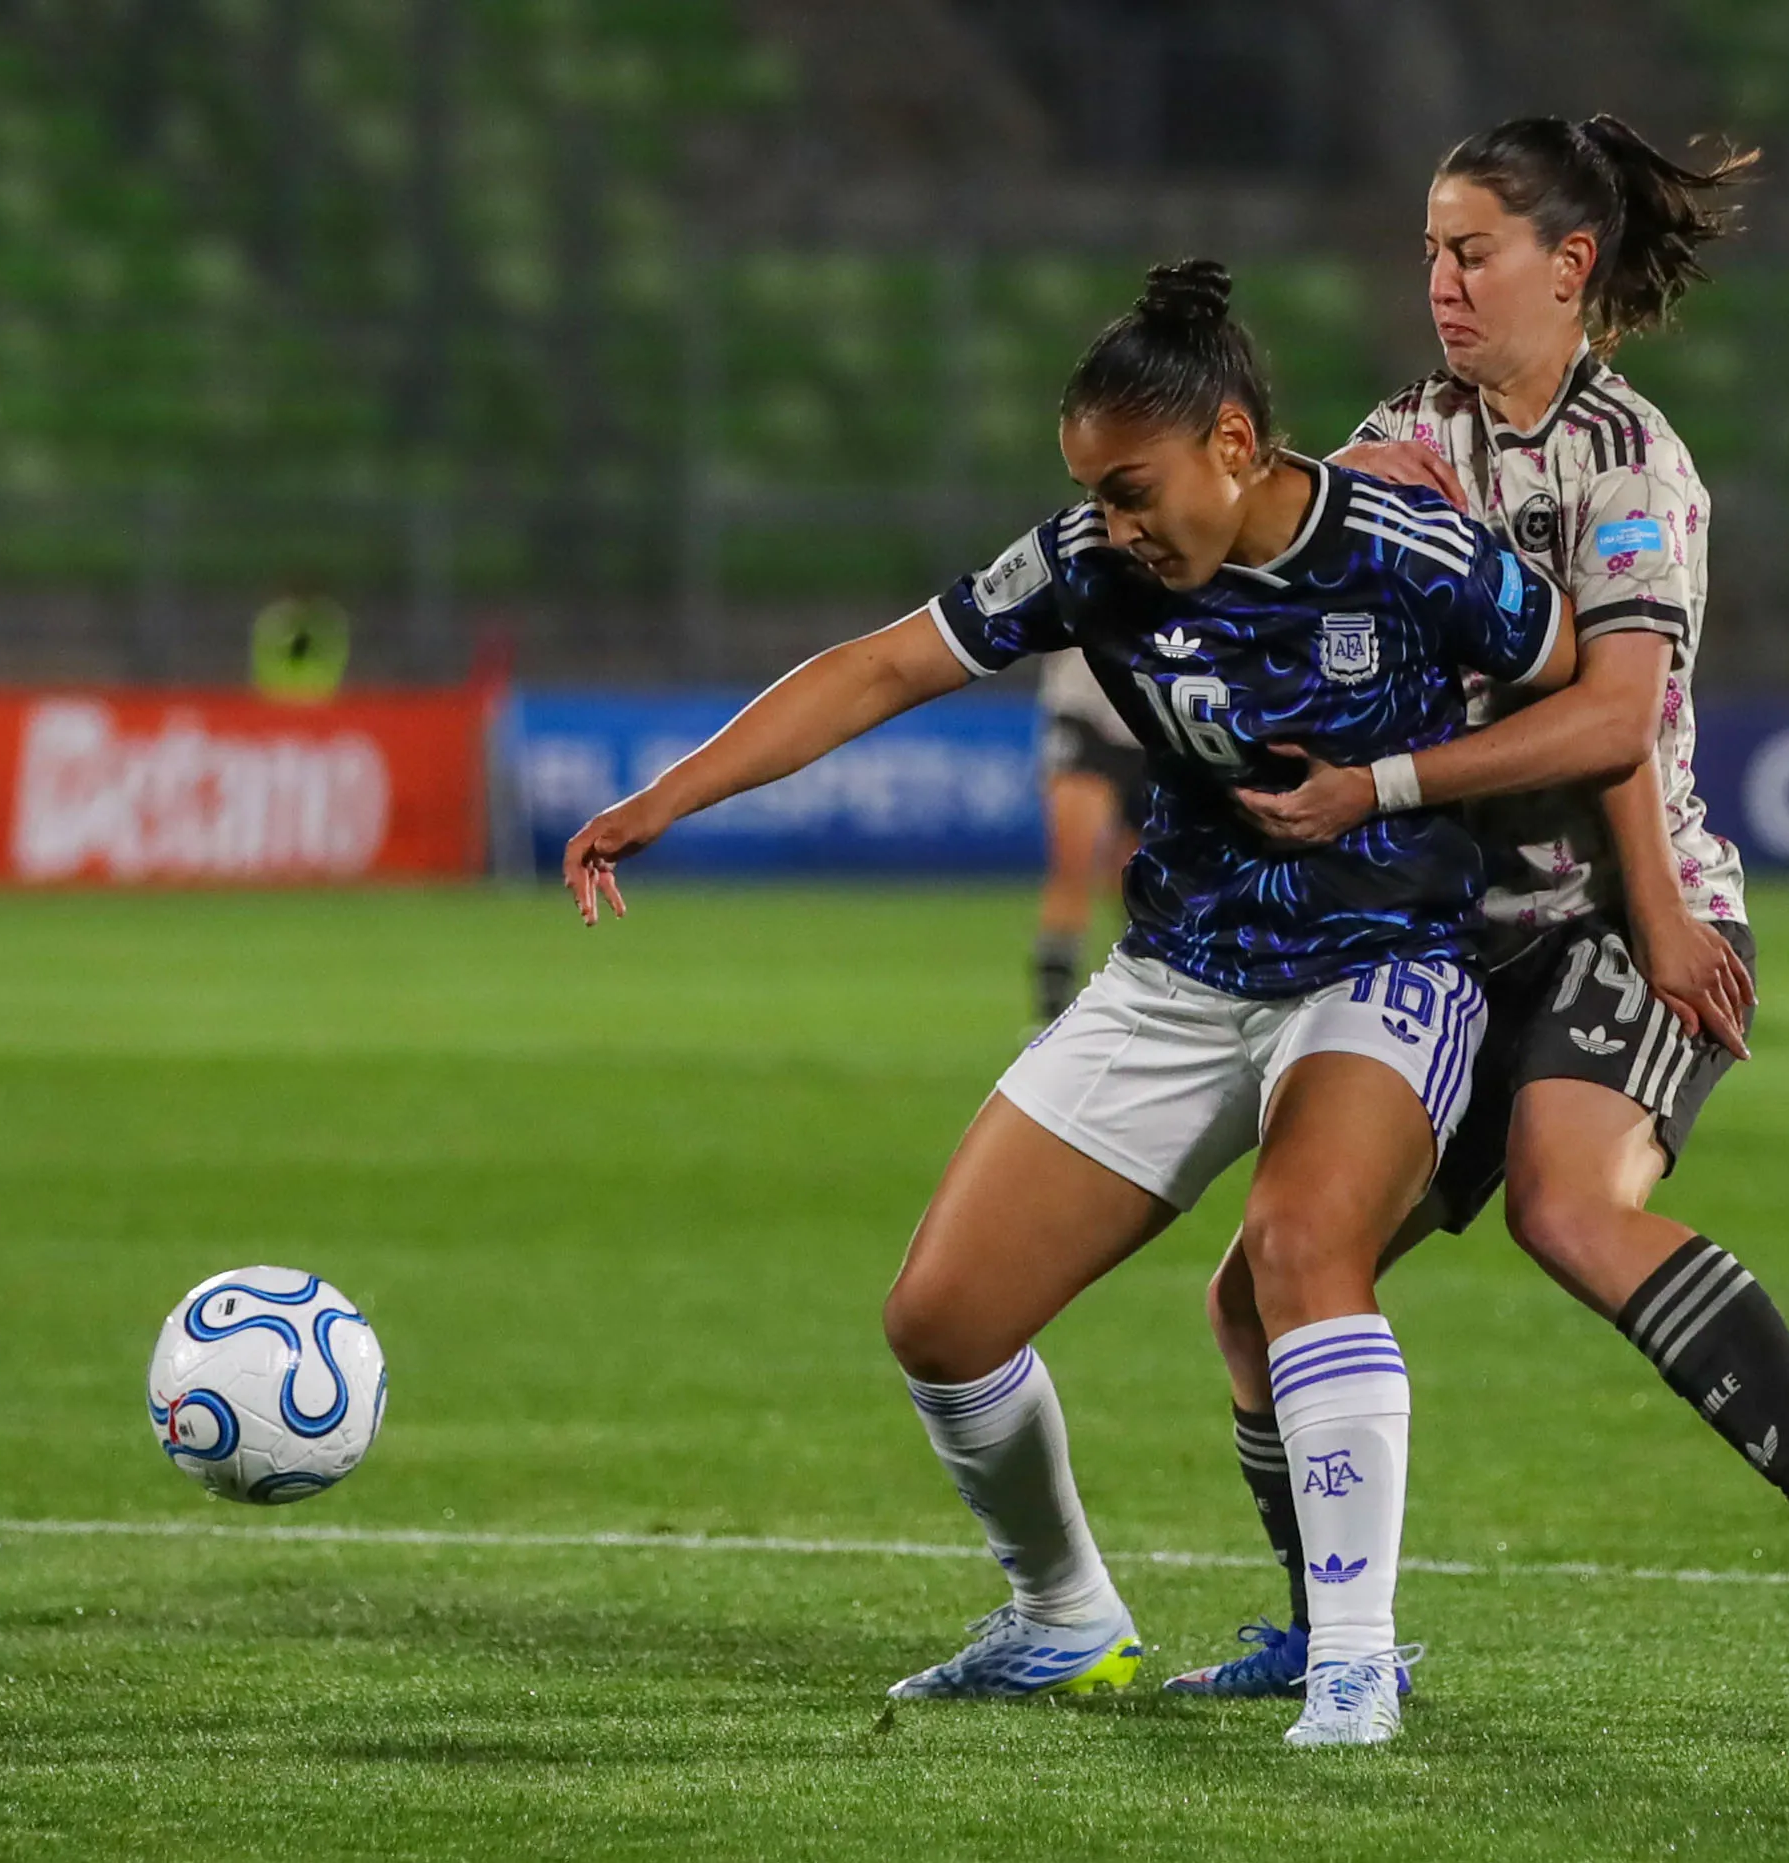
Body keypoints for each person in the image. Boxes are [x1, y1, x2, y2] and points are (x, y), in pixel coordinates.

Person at [565, 259, 1578, 1747]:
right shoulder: (1090, 565)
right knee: (942, 1315)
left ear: (1234, 442)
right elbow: (881, 666)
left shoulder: (1407, 552)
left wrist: (1432, 801)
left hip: (1379, 966)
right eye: (1094, 495)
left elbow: (1572, 672)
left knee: (1300, 1241)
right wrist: (668, 795)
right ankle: (1063, 1618)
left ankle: (1352, 1658)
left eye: (1132, 487)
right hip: (1175, 978)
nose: (1113, 524)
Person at [1166, 118, 1789, 1698]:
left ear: (1566, 266)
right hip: (1463, 938)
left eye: (1471, 251)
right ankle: (1327, 1630)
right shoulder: (1403, 435)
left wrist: (1654, 914)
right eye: (1430, 253)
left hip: (1618, 912)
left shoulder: (1631, 465)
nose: (1440, 283)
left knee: (1565, 1202)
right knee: (1263, 1276)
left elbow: (1612, 724)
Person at [1029, 648, 1147, 1022]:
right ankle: (1049, 1020)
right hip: (1085, 709)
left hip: (1160, 714)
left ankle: (1146, 1007)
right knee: (1073, 862)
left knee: (1144, 880)